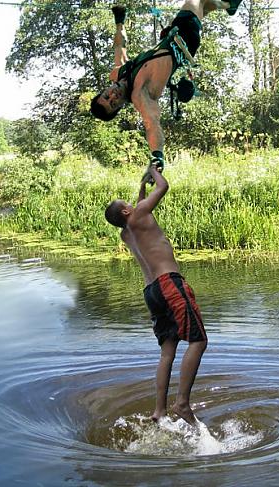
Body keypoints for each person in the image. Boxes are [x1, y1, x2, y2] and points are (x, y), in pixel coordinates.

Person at [91, 0, 242, 181]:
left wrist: (119, 21)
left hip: (173, 36)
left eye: (106, 96)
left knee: (205, 5)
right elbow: (151, 123)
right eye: (113, 103)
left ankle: (228, 6)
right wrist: (157, 158)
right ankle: (228, 5)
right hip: (184, 41)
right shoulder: (140, 95)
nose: (113, 96)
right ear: (119, 107)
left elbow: (119, 46)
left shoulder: (118, 72)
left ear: (104, 90)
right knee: (197, 1)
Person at [104, 164, 207, 426]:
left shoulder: (126, 233)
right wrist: (153, 170)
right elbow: (163, 187)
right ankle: (182, 403)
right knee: (198, 341)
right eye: (128, 202)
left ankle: (159, 410)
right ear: (127, 210)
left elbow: (138, 207)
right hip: (169, 283)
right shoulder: (139, 215)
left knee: (167, 353)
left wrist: (141, 185)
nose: (134, 202)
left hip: (151, 291)